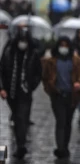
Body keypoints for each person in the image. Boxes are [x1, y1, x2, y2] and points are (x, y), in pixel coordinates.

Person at [42, 36, 80, 159]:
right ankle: (60, 147)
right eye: (61, 45)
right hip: (57, 96)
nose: (64, 48)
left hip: (71, 96)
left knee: (67, 122)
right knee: (60, 121)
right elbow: (45, 77)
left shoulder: (76, 61)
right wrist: (50, 89)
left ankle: (65, 146)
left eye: (66, 45)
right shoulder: (52, 61)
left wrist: (79, 83)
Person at [0, 27, 42, 159]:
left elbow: (38, 73)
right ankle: (17, 145)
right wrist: (2, 88)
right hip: (11, 92)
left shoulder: (33, 55)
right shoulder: (8, 53)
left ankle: (21, 145)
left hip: (25, 93)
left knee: (21, 118)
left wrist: (30, 86)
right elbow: (1, 71)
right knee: (17, 117)